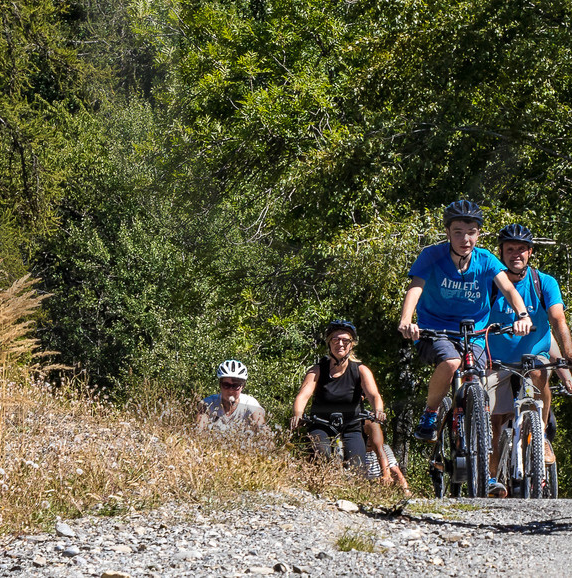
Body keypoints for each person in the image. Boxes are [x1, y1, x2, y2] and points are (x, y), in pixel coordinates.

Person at [398, 199, 534, 443]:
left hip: (474, 332)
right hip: (435, 330)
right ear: (447, 232)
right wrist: (407, 320)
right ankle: (430, 413)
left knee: (479, 376)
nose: (465, 239)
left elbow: (509, 290)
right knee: (451, 362)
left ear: (479, 234)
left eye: (471, 233)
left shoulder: (486, 259)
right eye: (458, 232)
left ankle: (475, 432)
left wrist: (522, 315)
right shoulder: (432, 255)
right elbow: (415, 287)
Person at [485, 223, 572, 496]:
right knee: (496, 423)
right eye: (510, 249)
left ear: (530, 253)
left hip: (533, 356)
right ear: (501, 253)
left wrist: (569, 354)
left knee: (539, 372)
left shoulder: (544, 283)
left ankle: (540, 434)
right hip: (497, 361)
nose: (515, 254)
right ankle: (492, 479)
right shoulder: (491, 284)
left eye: (521, 249)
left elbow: (558, 319)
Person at [288, 319, 389, 479]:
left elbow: (374, 395)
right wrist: (298, 414)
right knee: (321, 456)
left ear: (352, 344)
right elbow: (303, 395)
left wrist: (379, 411)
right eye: (335, 339)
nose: (340, 344)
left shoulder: (360, 370)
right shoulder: (317, 370)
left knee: (358, 469)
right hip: (321, 423)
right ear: (329, 343)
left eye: (345, 340)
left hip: (351, 424)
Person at [197, 359, 267, 434]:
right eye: (226, 385)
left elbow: (263, 431)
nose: (230, 390)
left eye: (235, 386)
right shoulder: (209, 403)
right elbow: (198, 430)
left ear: (243, 386)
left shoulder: (250, 404)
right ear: (220, 385)